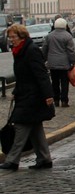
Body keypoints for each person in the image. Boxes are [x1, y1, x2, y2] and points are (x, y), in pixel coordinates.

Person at [0, 24, 55, 171]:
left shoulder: (31, 51)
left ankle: (12, 160)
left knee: (20, 126)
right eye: (10, 37)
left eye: (13, 37)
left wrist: (48, 95)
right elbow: (23, 76)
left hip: (33, 97)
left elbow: (41, 74)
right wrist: (16, 91)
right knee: (36, 128)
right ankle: (44, 158)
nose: (11, 40)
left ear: (22, 36)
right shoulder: (19, 51)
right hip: (25, 94)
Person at [42, 17, 75, 107]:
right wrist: (73, 61)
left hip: (52, 63)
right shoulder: (67, 36)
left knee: (55, 82)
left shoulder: (49, 36)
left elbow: (44, 49)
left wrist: (44, 60)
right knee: (65, 83)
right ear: (65, 25)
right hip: (64, 64)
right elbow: (71, 51)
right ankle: (64, 100)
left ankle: (56, 100)